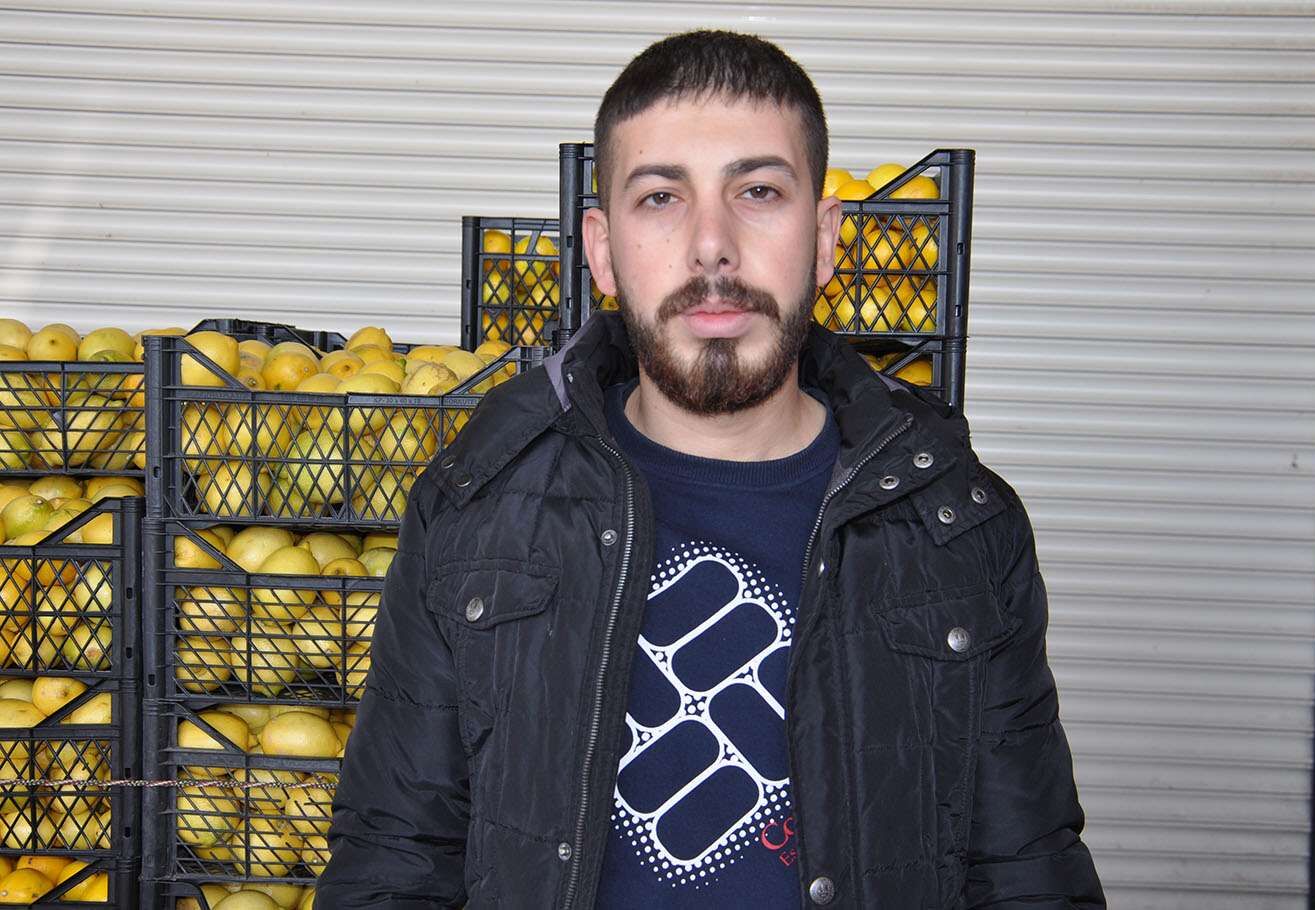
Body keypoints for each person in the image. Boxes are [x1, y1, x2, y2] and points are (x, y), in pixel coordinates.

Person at [318, 29, 1104, 909]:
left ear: (825, 239)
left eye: (758, 191)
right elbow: (392, 863)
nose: (711, 246)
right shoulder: (476, 506)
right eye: (661, 198)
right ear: (602, 250)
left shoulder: (957, 524)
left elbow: (1028, 873)